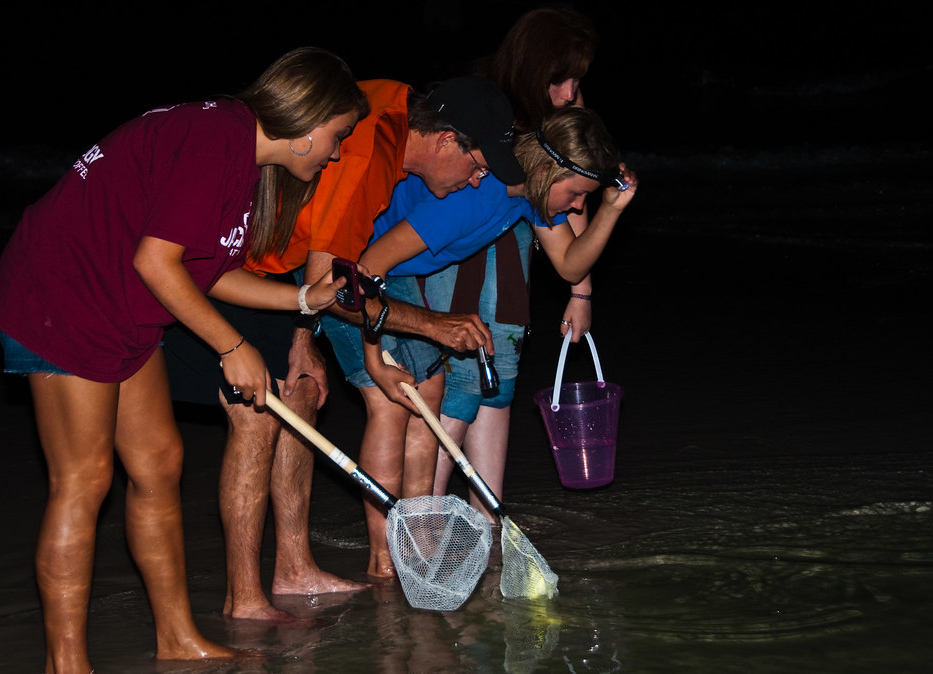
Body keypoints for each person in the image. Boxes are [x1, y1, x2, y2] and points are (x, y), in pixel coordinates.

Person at [0, 47, 364, 673]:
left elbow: (204, 272)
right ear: (306, 123)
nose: (338, 150)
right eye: (337, 135)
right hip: (61, 293)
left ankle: (178, 637)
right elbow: (155, 262)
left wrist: (302, 297)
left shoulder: (239, 153)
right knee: (84, 480)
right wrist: (234, 347)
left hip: (118, 299)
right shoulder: (217, 137)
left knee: (160, 462)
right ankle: (66, 663)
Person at [162, 75, 523, 614]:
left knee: (302, 392)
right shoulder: (368, 154)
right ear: (447, 139)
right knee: (256, 417)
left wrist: (306, 340)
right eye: (477, 166)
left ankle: (293, 568)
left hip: (286, 273)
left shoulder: (397, 100)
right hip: (231, 265)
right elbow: (334, 291)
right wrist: (431, 325)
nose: (476, 182)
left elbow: (321, 275)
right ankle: (244, 597)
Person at [322, 104, 636, 577]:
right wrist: (375, 355)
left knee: (429, 391)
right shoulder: (473, 199)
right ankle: (385, 561)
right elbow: (362, 271)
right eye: (576, 195)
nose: (576, 208)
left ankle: (418, 540)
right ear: (548, 172)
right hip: (353, 275)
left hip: (395, 279)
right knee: (394, 399)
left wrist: (610, 209)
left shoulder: (526, 195)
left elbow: (571, 265)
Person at [431, 6, 606, 520]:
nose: (571, 91)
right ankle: (425, 516)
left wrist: (581, 293)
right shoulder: (481, 101)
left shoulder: (562, 106)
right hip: (458, 251)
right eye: (562, 78)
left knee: (499, 380)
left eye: (579, 78)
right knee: (460, 381)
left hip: (516, 249)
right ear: (533, 68)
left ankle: (486, 520)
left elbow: (578, 193)